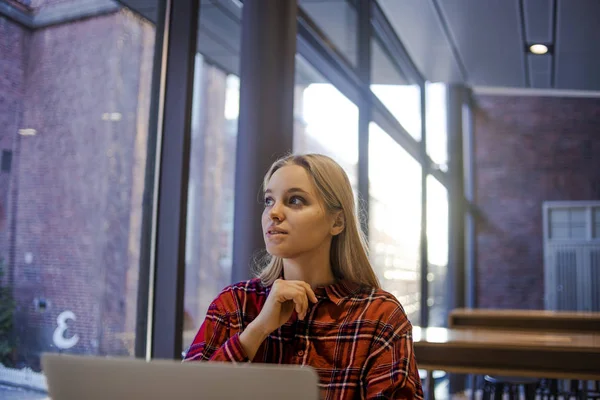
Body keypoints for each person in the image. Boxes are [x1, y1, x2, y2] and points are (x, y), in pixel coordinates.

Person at [184, 154, 423, 399]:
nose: (274, 213)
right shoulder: (233, 304)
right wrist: (256, 331)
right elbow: (184, 393)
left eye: (295, 200)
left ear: (337, 221)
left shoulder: (380, 316)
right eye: (269, 200)